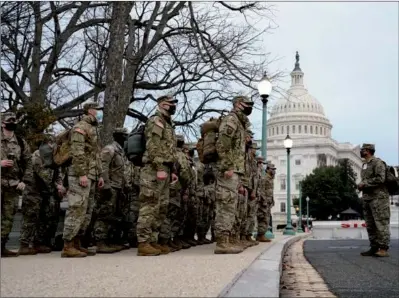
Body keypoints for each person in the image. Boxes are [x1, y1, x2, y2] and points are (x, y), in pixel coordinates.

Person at [136, 95, 178, 256]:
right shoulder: (156, 121)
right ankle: (143, 242)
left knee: (161, 206)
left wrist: (172, 170)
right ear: (162, 104)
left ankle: (153, 240)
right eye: (170, 104)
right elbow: (153, 146)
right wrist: (160, 166)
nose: (173, 106)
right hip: (154, 169)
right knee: (150, 204)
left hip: (165, 169)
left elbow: (169, 149)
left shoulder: (168, 124)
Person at [61, 102, 104, 258]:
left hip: (91, 174)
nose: (99, 113)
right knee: (77, 208)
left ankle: (77, 243)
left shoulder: (93, 129)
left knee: (87, 210)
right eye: (98, 110)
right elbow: (77, 151)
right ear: (90, 111)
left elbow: (96, 154)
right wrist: (81, 173)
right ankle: (68, 245)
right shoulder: (80, 127)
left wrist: (99, 175)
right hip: (80, 174)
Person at [214, 95, 253, 254]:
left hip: (236, 170)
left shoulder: (240, 123)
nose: (248, 107)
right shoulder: (231, 120)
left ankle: (228, 239)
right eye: (246, 104)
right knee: (226, 205)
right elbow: (222, 144)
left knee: (231, 206)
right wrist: (227, 166)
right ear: (237, 104)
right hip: (229, 170)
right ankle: (222, 242)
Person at [19, 135, 65, 255]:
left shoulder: (53, 157)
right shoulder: (37, 156)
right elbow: (43, 175)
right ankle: (24, 244)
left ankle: (39, 242)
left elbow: (57, 173)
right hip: (33, 191)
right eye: (53, 144)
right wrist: (57, 186)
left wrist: (60, 185)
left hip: (46, 191)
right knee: (30, 217)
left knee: (45, 217)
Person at [1, 112, 33, 257]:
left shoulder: (20, 142)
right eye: (9, 120)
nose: (12, 122)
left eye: (14, 120)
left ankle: (2, 245)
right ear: (2, 123)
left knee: (8, 216)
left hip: (13, 184)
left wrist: (24, 181)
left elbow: (28, 162)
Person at [94, 127, 129, 253]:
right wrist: (106, 186)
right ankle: (100, 242)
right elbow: (102, 168)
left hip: (118, 187)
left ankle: (110, 240)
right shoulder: (109, 150)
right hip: (110, 187)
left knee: (113, 215)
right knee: (104, 214)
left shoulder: (121, 152)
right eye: (125, 136)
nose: (127, 138)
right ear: (119, 136)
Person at [358, 143, 390, 257]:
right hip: (367, 198)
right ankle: (374, 246)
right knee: (370, 224)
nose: (361, 151)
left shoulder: (378, 163)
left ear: (368, 150)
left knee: (381, 223)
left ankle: (383, 248)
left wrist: (364, 184)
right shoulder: (365, 165)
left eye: (363, 150)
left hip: (379, 198)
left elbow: (381, 179)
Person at [257, 162, 276, 242]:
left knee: (267, 218)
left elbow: (270, 191)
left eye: (274, 169)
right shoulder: (264, 178)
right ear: (267, 169)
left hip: (268, 201)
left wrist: (272, 200)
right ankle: (260, 235)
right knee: (263, 218)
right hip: (264, 202)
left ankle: (262, 234)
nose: (273, 171)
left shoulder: (270, 178)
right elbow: (262, 190)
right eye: (272, 169)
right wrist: (264, 200)